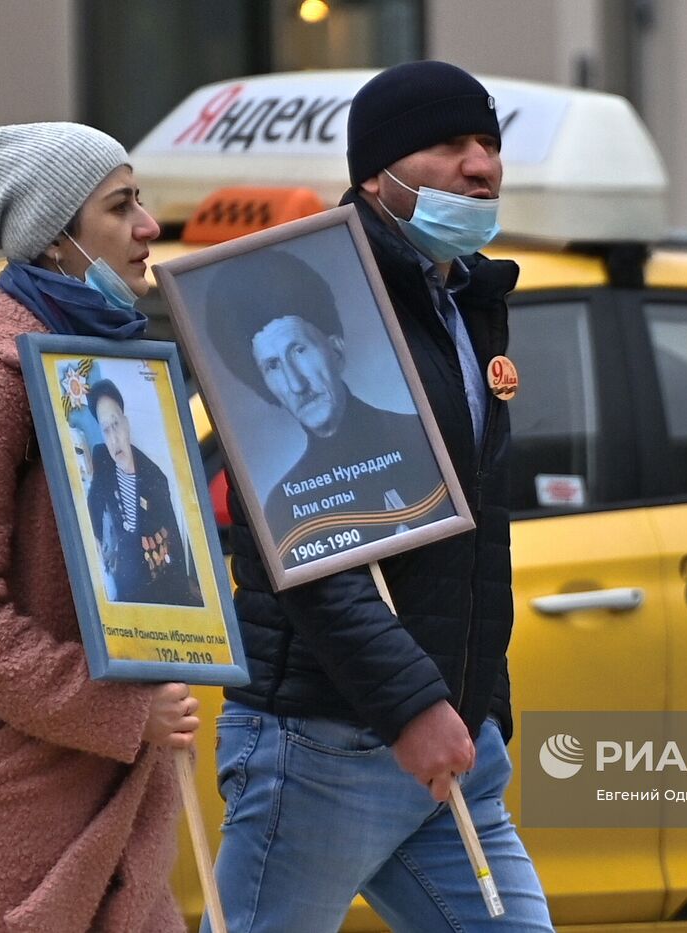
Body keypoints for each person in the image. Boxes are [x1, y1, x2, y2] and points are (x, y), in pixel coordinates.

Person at [209, 61, 554, 931]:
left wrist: (482, 702)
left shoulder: (464, 297)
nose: (481, 165)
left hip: (450, 747)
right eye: (449, 145)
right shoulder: (329, 289)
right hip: (328, 747)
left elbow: (469, 531)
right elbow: (310, 548)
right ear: (378, 174)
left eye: (489, 144)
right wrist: (415, 708)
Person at [0, 122, 200, 932]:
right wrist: (121, 709)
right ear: (56, 237)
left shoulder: (112, 373)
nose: (148, 226)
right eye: (121, 204)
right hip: (5, 818)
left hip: (107, 798)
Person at [207, 254, 448, 559]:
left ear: (336, 349)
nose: (296, 384)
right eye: (272, 366)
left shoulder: (427, 443)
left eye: (298, 349)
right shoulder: (284, 507)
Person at [85, 378, 202, 606]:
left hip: (151, 590)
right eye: (106, 430)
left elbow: (174, 550)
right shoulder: (102, 458)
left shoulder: (154, 479)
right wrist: (98, 539)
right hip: (119, 583)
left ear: (127, 424)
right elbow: (94, 501)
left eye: (116, 424)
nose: (114, 438)